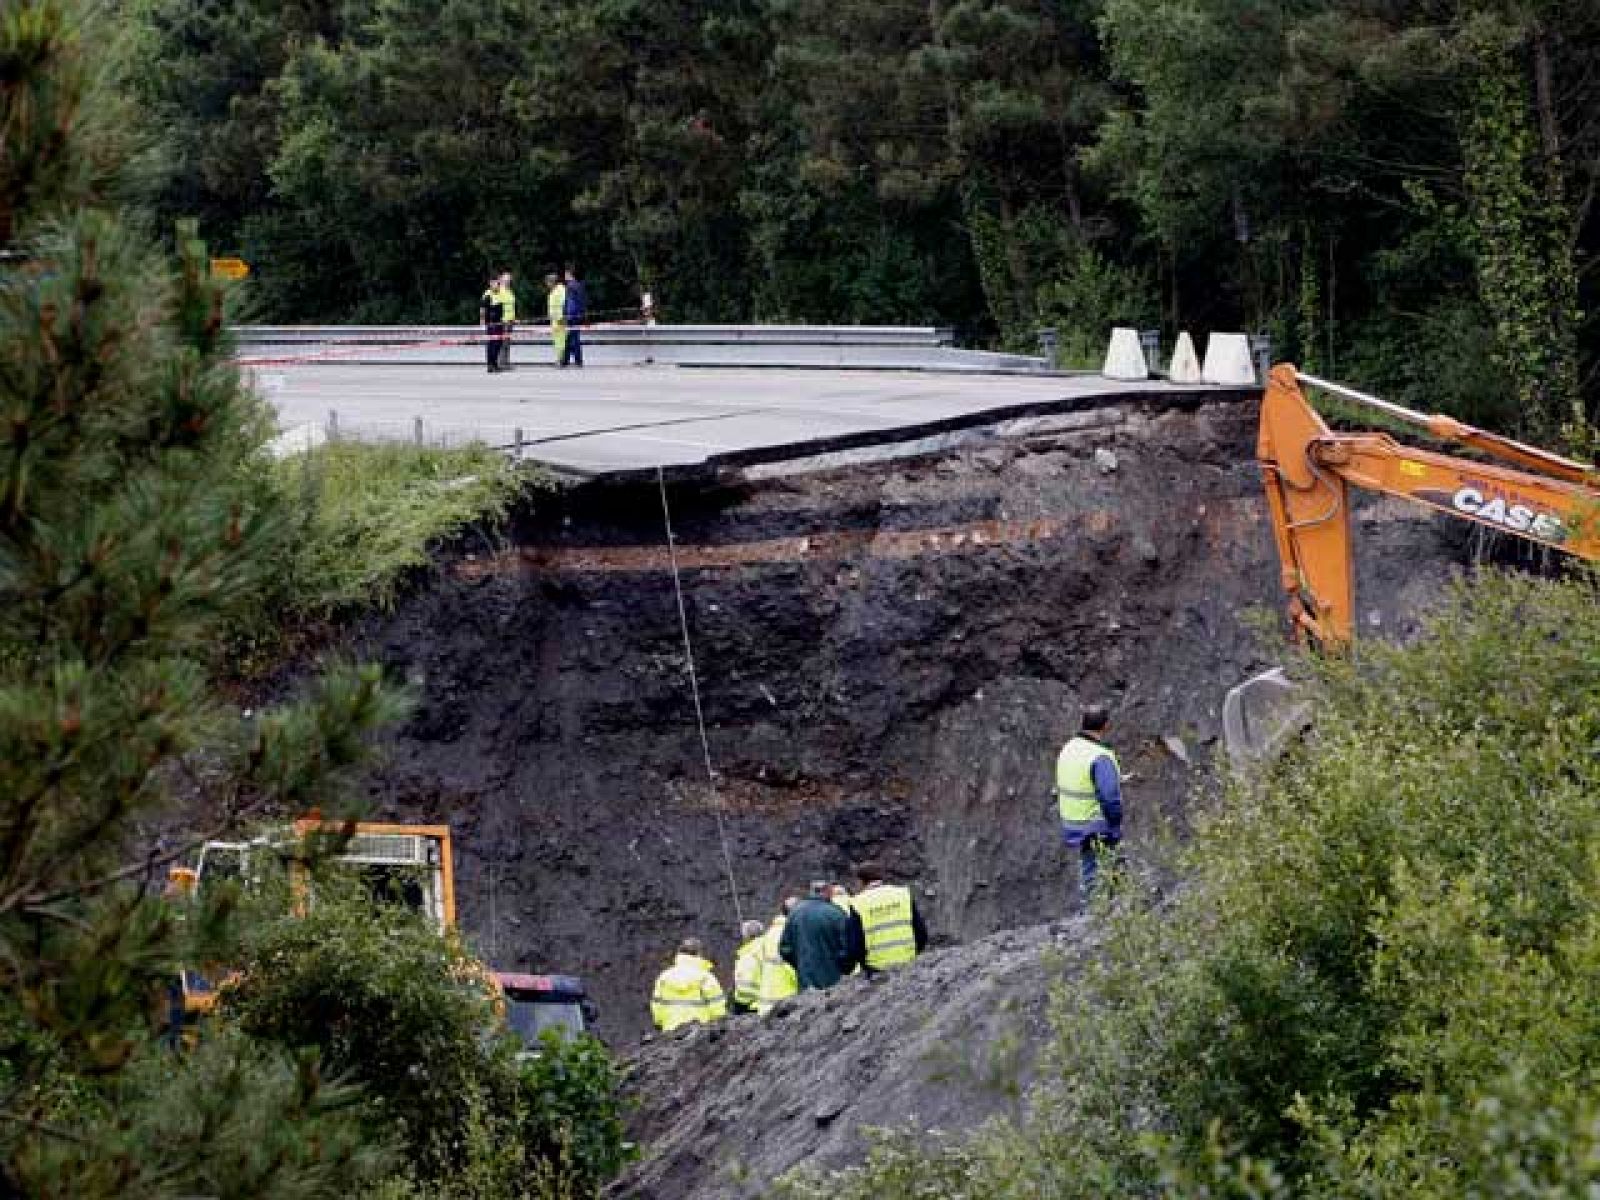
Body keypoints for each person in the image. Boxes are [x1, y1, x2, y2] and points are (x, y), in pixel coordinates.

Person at [1055, 704, 1124, 905]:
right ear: (1105, 726)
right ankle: (1101, 915)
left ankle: (1094, 912)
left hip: (1073, 821)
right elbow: (1110, 796)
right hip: (1096, 822)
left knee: (1089, 866)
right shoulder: (1099, 756)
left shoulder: (1069, 748)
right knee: (1107, 868)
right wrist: (1115, 822)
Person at [779, 880, 859, 991]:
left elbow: (785, 949)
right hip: (834, 981)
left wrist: (801, 964)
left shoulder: (794, 914)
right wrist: (845, 968)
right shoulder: (836, 914)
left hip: (806, 982)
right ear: (829, 892)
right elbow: (848, 948)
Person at [850, 862, 928, 973]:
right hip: (908, 964)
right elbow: (921, 933)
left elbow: (856, 946)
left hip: (876, 969)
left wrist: (863, 965)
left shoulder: (858, 903)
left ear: (861, 881)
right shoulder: (903, 894)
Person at [650, 937, 727, 1032]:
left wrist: (659, 1023)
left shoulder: (664, 977)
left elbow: (657, 1005)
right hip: (700, 1030)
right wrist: (719, 1023)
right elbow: (717, 1005)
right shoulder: (705, 977)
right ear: (699, 954)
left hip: (670, 1030)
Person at [755, 897, 800, 1015]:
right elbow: (790, 965)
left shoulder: (770, 933)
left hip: (767, 999)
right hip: (785, 999)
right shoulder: (788, 933)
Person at [731, 919, 765, 1015]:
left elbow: (745, 987)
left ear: (746, 937)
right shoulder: (768, 947)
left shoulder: (748, 954)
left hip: (751, 1005)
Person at [561, 264, 587, 368]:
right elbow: (582, 301)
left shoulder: (571, 286)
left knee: (573, 338)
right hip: (577, 315)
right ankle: (567, 360)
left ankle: (576, 360)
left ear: (569, 274)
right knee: (571, 337)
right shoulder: (579, 285)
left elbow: (571, 303)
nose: (564, 276)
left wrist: (567, 315)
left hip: (572, 316)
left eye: (565, 274)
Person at [479, 273, 505, 373]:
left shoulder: (499, 294)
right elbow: (482, 309)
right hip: (491, 324)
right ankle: (490, 365)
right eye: (495, 283)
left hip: (499, 323)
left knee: (498, 344)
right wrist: (482, 322)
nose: (497, 285)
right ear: (490, 284)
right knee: (492, 344)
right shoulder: (487, 294)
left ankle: (495, 364)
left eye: (498, 283)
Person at [545, 272, 567, 366]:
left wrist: (561, 318)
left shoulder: (560, 290)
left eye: (547, 282)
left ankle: (560, 360)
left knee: (560, 340)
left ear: (552, 282)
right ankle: (560, 358)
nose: (546, 284)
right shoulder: (555, 290)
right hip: (555, 319)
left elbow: (563, 305)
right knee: (558, 340)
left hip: (559, 319)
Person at [497, 271, 517, 370]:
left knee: (507, 343)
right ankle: (501, 363)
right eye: (506, 280)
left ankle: (506, 362)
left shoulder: (509, 291)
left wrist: (513, 318)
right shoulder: (499, 291)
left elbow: (511, 306)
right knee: (502, 343)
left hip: (510, 321)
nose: (508, 282)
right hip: (503, 321)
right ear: (501, 280)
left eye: (509, 280)